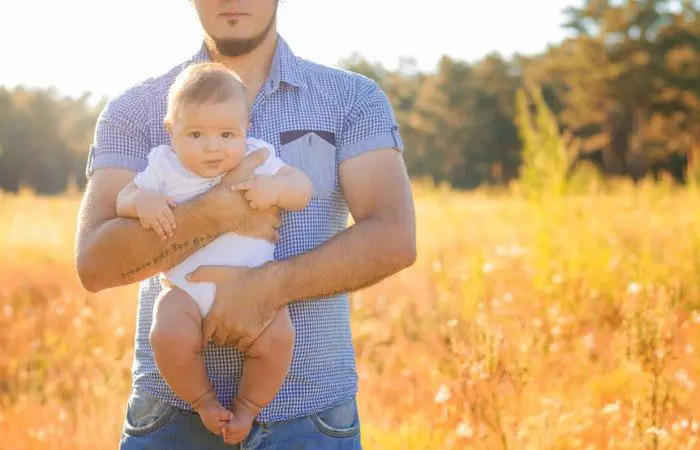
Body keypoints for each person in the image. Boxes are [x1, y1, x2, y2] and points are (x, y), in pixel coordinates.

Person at [74, 0, 417, 448]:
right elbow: (94, 266)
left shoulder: (352, 99)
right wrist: (224, 208)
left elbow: (394, 237)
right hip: (170, 421)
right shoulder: (134, 110)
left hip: (312, 418)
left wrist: (266, 289)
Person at [115, 61, 312, 445]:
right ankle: (204, 401)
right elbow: (123, 198)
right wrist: (144, 201)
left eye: (226, 133)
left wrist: (274, 190)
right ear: (171, 131)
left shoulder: (257, 156)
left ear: (246, 131)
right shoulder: (163, 165)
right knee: (167, 333)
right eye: (196, 134)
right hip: (185, 291)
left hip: (257, 284)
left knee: (278, 340)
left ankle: (247, 408)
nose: (213, 146)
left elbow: (300, 187)